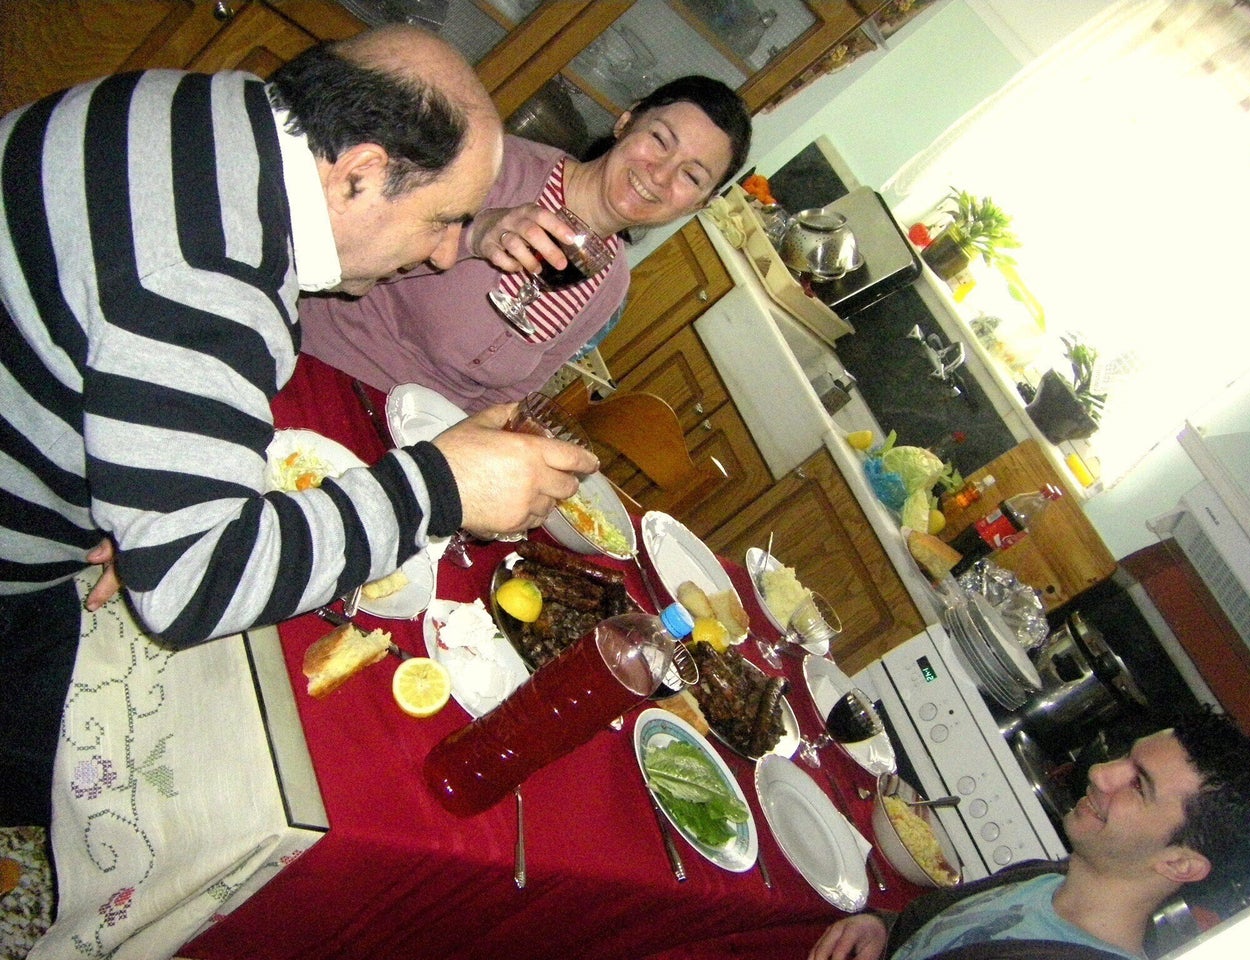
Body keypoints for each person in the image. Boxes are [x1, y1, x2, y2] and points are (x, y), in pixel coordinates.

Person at [0, 25, 598, 829]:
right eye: (444, 221)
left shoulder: (209, 102)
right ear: (360, 173)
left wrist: (133, 487)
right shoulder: (216, 278)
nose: (448, 254)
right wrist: (439, 484)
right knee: (138, 779)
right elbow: (192, 589)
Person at [297, 75, 752, 412]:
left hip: (416, 436)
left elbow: (511, 394)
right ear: (625, 122)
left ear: (700, 203)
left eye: (692, 176)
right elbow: (344, 252)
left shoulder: (610, 285)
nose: (661, 174)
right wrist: (472, 235)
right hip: (322, 371)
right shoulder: (498, 166)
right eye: (659, 140)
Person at [809, 708, 1250, 960]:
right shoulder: (1048, 878)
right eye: (1125, 758)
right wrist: (884, 932)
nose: (1099, 772)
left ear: (1180, 863)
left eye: (1138, 786)